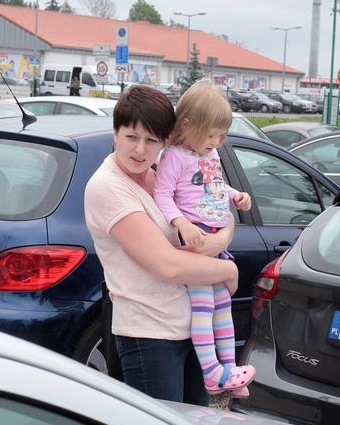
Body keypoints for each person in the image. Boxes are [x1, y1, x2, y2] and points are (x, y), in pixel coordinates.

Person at [84, 85, 237, 404]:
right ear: (115, 132)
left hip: (190, 327)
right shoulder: (108, 188)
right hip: (150, 336)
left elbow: (218, 211)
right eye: (131, 137)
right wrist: (226, 267)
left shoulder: (157, 177)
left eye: (151, 140)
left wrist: (221, 240)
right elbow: (169, 264)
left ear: (166, 141)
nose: (140, 150)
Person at [153, 82, 256, 396]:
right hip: (194, 241)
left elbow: (214, 188)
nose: (218, 142)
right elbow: (163, 194)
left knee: (222, 303)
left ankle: (227, 368)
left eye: (221, 135)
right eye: (212, 135)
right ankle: (211, 372)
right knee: (204, 306)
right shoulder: (175, 157)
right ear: (187, 126)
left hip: (212, 239)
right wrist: (180, 222)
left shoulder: (209, 154)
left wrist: (235, 195)